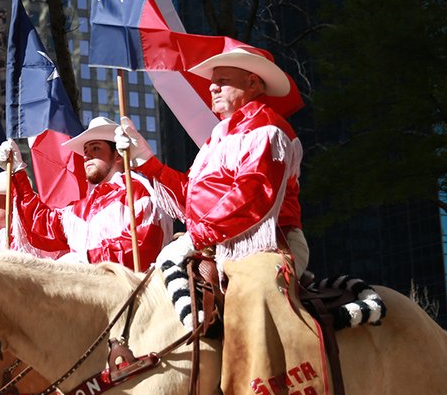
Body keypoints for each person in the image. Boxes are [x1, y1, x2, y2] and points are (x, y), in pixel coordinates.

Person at [114, 45, 309, 276]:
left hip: (271, 243)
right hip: (216, 243)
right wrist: (147, 161)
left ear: (252, 83)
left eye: (223, 80)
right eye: (213, 81)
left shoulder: (266, 128)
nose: (212, 87)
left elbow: (252, 196)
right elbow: (192, 196)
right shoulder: (219, 135)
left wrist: (194, 239)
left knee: (254, 289)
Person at [0, 117, 170, 269]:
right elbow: (42, 226)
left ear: (118, 155)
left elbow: (141, 247)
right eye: (85, 151)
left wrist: (84, 260)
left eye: (95, 148)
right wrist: (17, 171)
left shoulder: (138, 190)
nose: (87, 157)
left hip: (134, 300)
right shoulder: (84, 205)